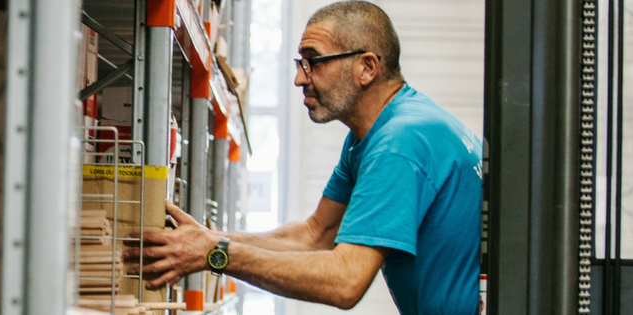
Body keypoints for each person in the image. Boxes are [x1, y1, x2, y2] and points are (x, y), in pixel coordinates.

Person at [123, 1, 483, 313]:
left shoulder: (400, 142)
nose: (299, 78)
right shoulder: (376, 134)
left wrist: (215, 253)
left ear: (367, 67)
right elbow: (315, 234)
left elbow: (345, 281)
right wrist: (208, 238)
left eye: (313, 62)